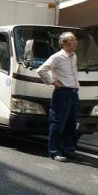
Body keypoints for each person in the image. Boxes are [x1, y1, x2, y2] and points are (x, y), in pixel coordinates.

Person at [37, 32, 80, 162]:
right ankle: (54, 152)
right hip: (62, 93)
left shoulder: (74, 56)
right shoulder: (57, 57)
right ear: (64, 43)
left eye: (75, 40)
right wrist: (53, 82)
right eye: (72, 40)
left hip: (73, 93)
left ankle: (68, 150)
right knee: (58, 123)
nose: (75, 42)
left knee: (71, 124)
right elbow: (41, 70)